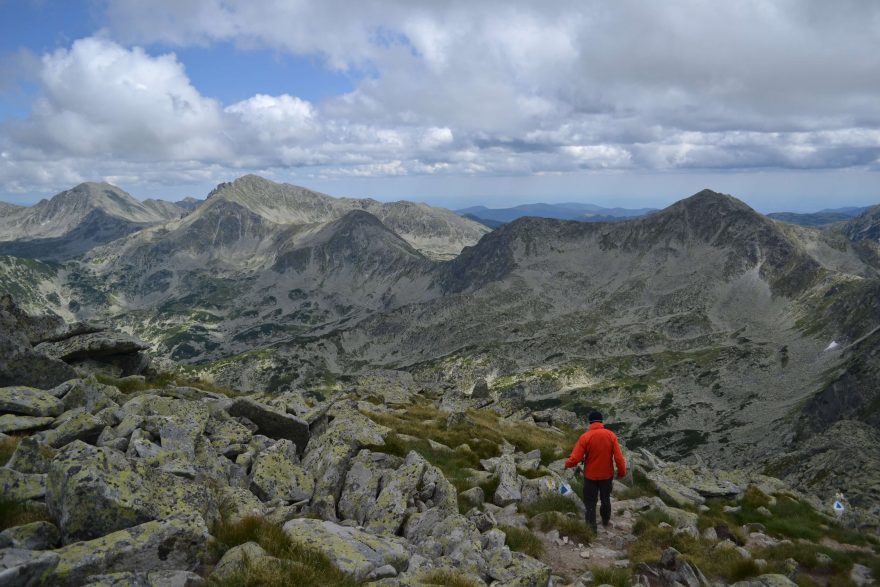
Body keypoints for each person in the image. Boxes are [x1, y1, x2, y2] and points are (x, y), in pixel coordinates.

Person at [564, 411, 626, 533]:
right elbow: (619, 458)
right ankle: (605, 520)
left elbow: (576, 458)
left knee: (590, 502)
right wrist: (621, 472)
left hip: (590, 476)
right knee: (605, 498)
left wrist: (567, 464)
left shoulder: (585, 437)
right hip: (607, 475)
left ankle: (591, 530)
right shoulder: (611, 435)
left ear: (590, 422)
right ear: (601, 421)